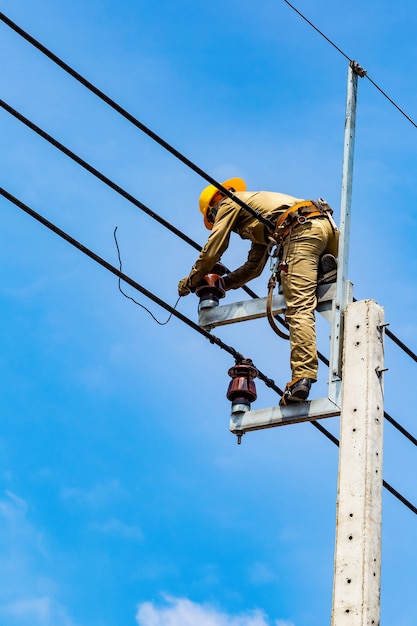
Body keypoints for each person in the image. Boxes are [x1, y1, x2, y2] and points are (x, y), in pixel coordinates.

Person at [178, 178, 339, 403]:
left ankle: (302, 378)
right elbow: (254, 267)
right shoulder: (256, 211)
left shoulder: (228, 203)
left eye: (212, 219)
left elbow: (214, 249)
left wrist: (191, 280)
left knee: (298, 307)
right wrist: (223, 283)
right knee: (307, 288)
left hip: (300, 232)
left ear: (214, 208)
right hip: (324, 228)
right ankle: (324, 272)